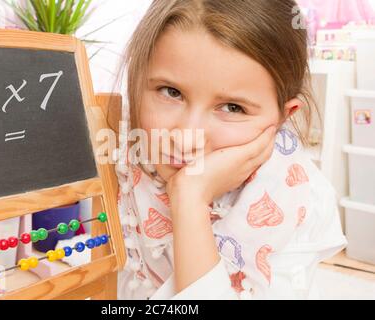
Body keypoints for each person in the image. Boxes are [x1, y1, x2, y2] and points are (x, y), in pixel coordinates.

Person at [113, 0, 347, 300]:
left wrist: (190, 200)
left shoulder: (298, 203)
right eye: (171, 92)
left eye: (232, 108)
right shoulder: (124, 158)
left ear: (283, 117)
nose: (186, 139)